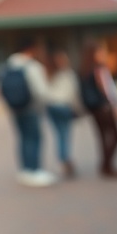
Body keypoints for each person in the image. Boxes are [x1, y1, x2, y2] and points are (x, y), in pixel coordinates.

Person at [0, 37, 56, 187]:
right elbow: (41, 91)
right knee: (34, 138)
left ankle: (25, 170)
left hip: (15, 108)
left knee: (23, 138)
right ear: (31, 49)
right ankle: (34, 170)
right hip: (31, 108)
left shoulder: (8, 65)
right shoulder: (32, 66)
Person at [79, 41, 117, 179]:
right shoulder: (99, 69)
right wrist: (115, 106)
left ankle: (105, 165)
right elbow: (107, 90)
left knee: (102, 137)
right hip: (104, 107)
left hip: (94, 108)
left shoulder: (85, 69)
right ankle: (108, 165)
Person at [44, 49, 81, 178]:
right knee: (64, 134)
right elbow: (73, 93)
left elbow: (44, 92)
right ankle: (65, 159)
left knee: (59, 134)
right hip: (63, 106)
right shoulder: (68, 74)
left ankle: (63, 159)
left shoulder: (49, 74)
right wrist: (78, 108)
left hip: (52, 107)